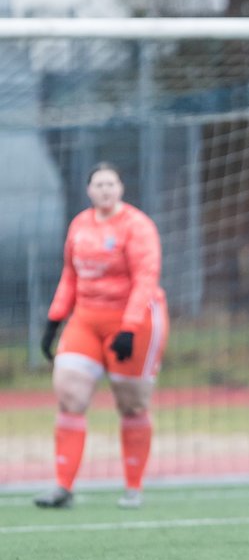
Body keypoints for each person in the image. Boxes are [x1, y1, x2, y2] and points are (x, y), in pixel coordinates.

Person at [34, 163, 169, 510]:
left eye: (111, 184)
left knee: (132, 404)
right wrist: (55, 319)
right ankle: (63, 487)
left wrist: (128, 328)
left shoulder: (137, 226)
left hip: (134, 320)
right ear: (89, 190)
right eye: (99, 184)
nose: (105, 190)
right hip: (87, 320)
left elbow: (146, 278)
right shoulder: (80, 224)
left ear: (121, 188)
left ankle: (133, 487)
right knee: (69, 394)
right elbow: (70, 274)